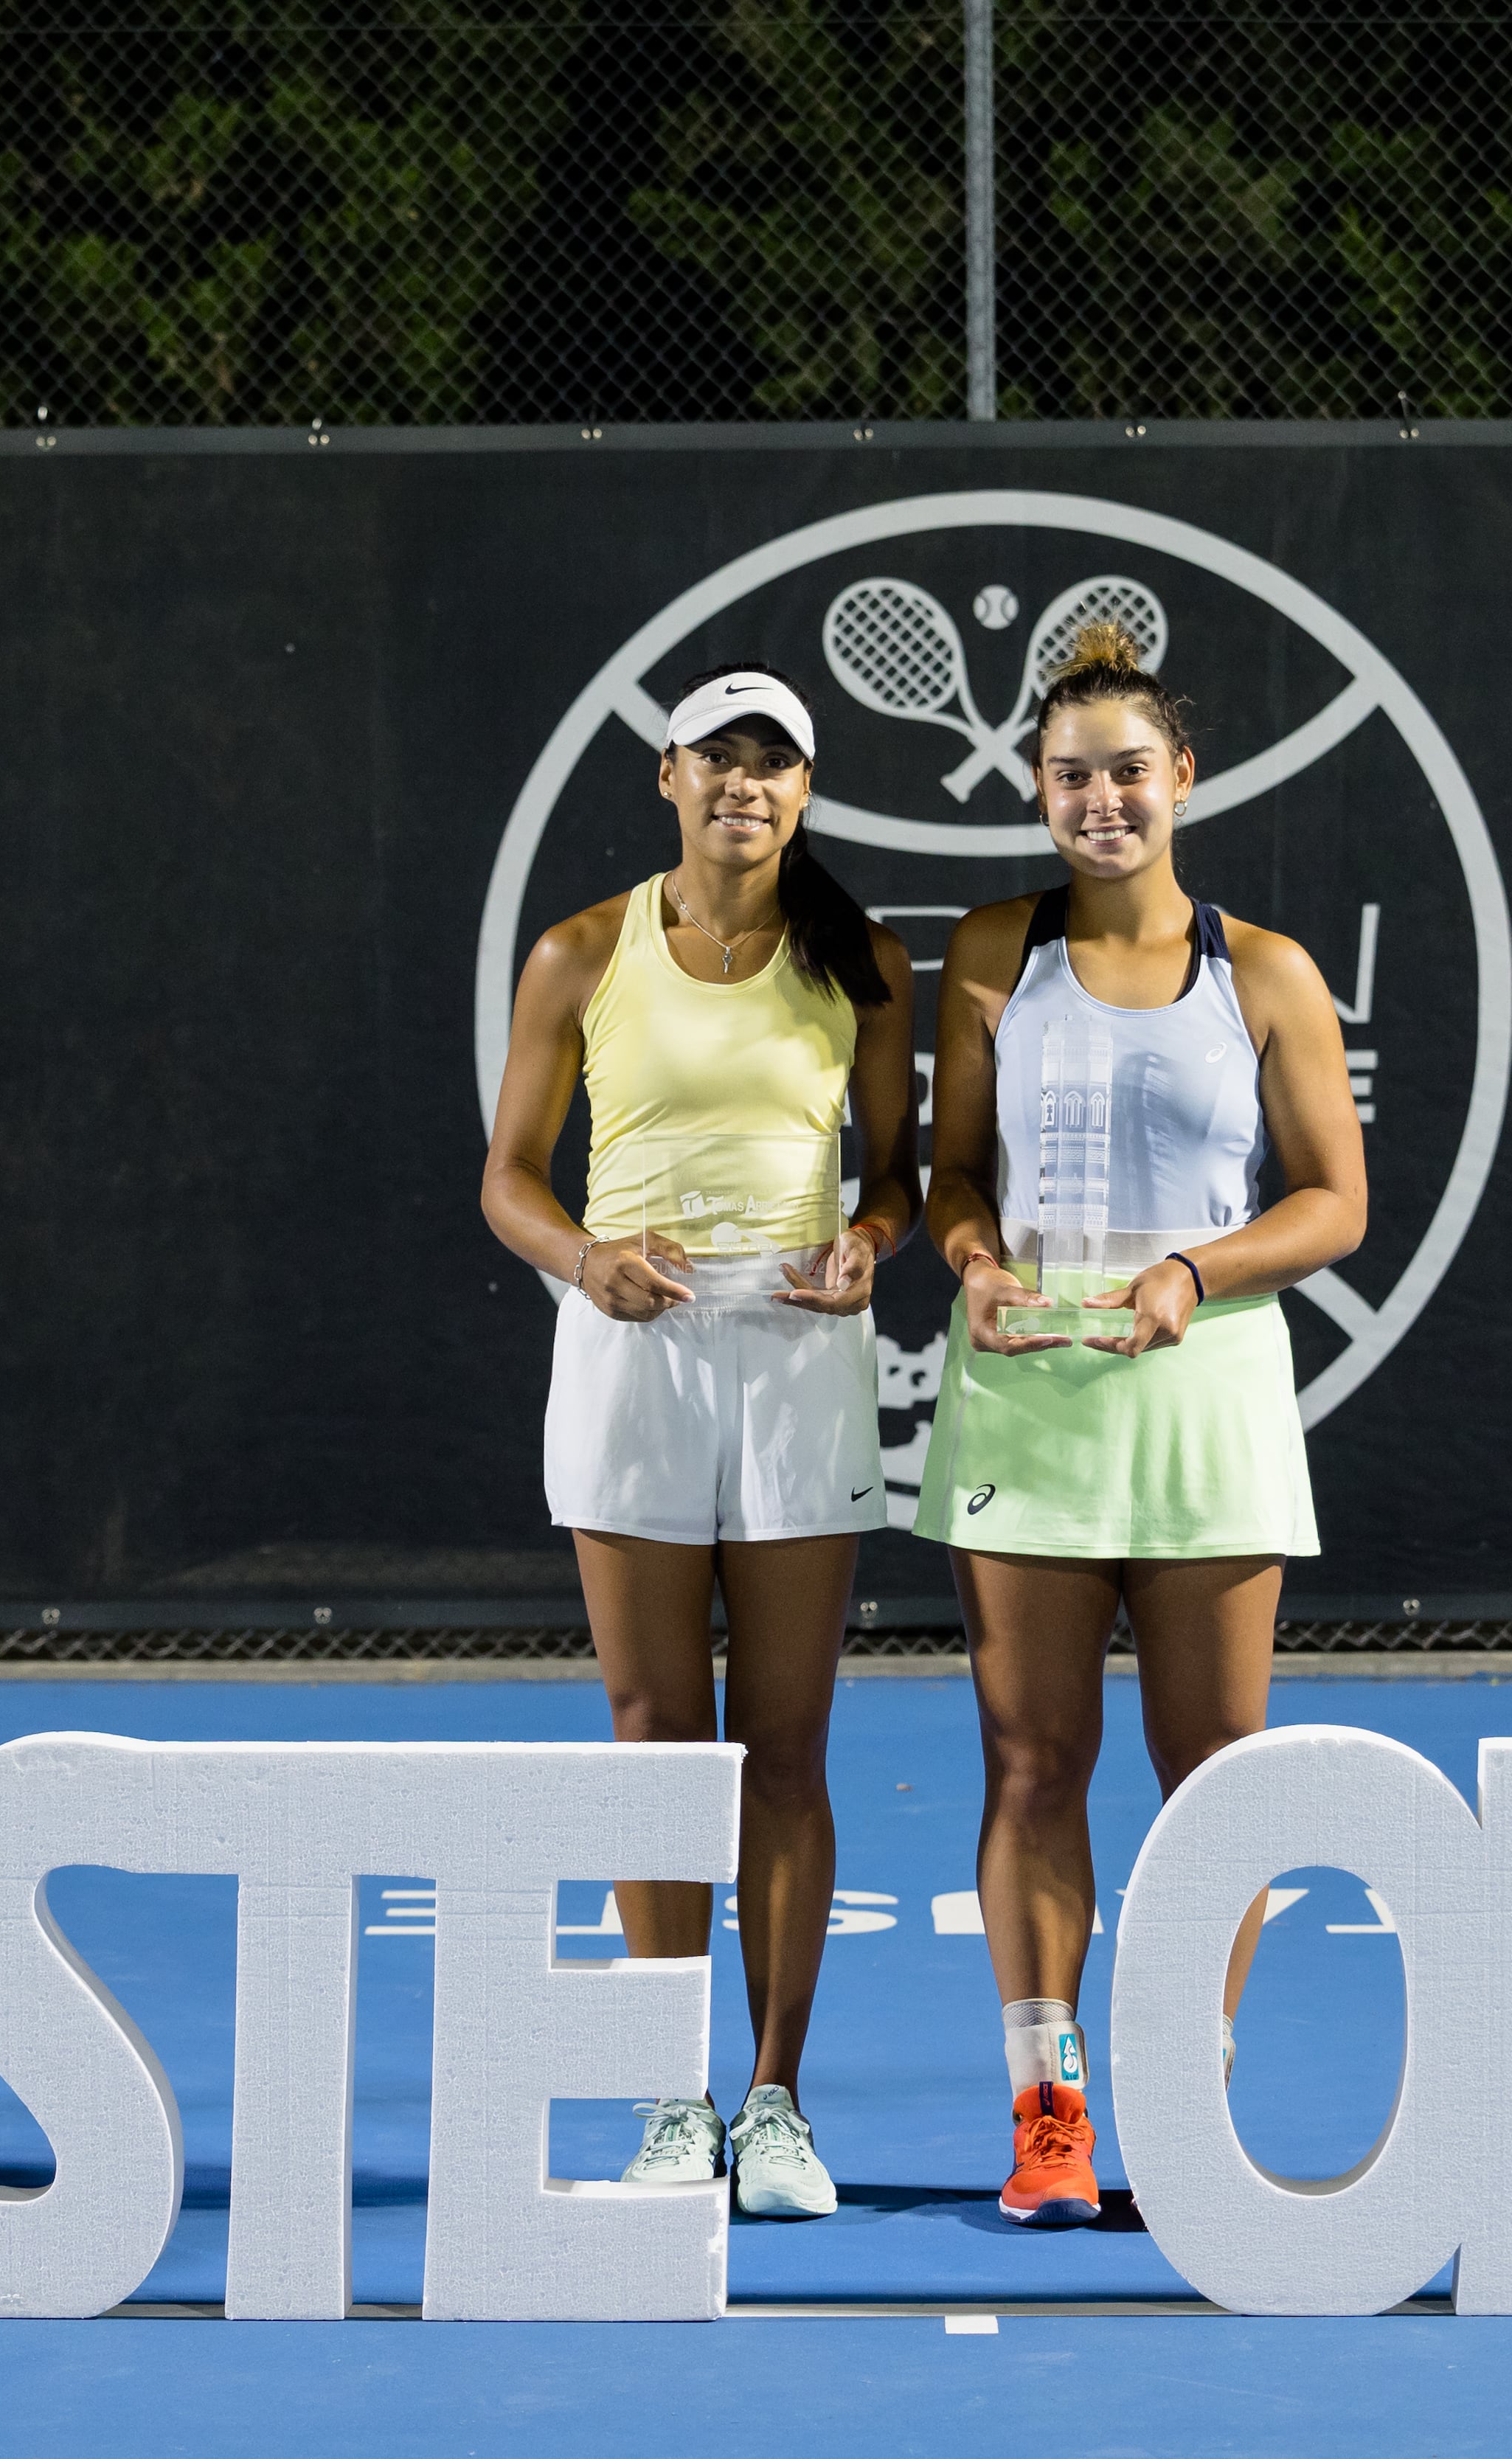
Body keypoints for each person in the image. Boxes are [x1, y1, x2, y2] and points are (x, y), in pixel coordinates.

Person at [913, 622, 1369, 2226]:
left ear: (1181, 778)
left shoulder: (1270, 972)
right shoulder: (987, 952)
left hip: (1205, 1391)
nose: (1100, 798)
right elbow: (948, 1168)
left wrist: (1191, 1266)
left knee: (1216, 1774)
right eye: (1069, 775)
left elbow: (1333, 1199)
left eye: (1127, 770)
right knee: (1032, 1759)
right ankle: (1050, 2116)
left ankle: (1184, 2090)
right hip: (1026, 1388)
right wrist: (968, 1256)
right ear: (1036, 794)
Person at [481, 662, 918, 2220]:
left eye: (774, 762)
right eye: (716, 758)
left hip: (798, 1346)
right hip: (629, 1338)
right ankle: (673, 2096)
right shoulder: (579, 949)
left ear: (806, 792)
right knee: (656, 1726)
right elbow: (510, 1176)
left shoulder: (858, 957)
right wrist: (583, 1254)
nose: (744, 783)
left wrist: (869, 1236)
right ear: (665, 777)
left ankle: (775, 2100)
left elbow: (899, 1175)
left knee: (785, 1743)